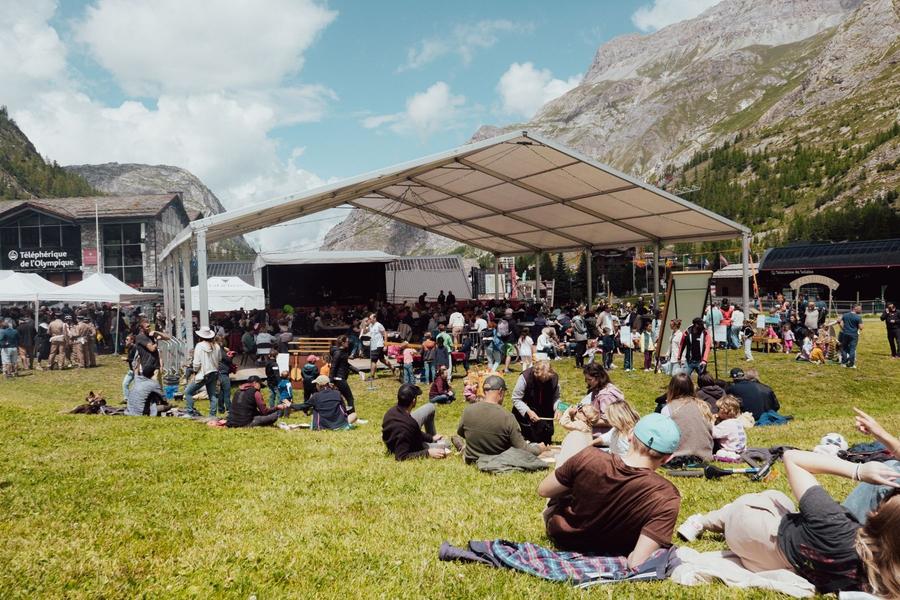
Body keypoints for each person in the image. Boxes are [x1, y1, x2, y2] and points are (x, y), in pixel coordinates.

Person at [677, 448, 900, 596]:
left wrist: (858, 470)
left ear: (876, 516)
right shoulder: (887, 583)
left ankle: (707, 520)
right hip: (775, 564)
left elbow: (792, 458)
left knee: (776, 497)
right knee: (783, 508)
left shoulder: (836, 525)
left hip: (751, 533)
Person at [538, 413, 682, 568]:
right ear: (668, 458)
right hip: (613, 549)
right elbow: (637, 562)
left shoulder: (590, 457)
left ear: (630, 435)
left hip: (564, 536)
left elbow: (544, 490)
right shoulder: (667, 495)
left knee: (576, 437)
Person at [456, 375, 546, 463]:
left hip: (471, 457)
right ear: (500, 392)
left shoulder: (468, 410)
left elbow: (460, 432)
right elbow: (522, 448)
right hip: (496, 459)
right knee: (532, 445)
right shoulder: (507, 417)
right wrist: (539, 449)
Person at [381, 383, 451, 460]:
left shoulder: (391, 412)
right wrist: (428, 453)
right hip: (406, 445)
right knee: (447, 444)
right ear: (414, 401)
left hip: (403, 433)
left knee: (430, 407)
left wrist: (431, 438)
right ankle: (433, 444)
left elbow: (415, 431)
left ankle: (433, 440)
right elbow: (401, 456)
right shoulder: (406, 428)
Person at [660, 374, 713, 463]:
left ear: (671, 388)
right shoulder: (703, 406)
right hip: (705, 455)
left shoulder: (668, 409)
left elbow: (664, 436)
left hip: (678, 456)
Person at [510, 360, 560, 445]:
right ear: (535, 374)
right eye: (541, 379)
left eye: (547, 379)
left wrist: (559, 408)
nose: (543, 382)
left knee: (545, 443)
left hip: (545, 412)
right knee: (527, 444)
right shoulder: (525, 377)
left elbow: (557, 397)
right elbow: (516, 398)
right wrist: (528, 411)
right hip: (526, 412)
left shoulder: (554, 377)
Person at [184, 326, 221, 417]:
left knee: (188, 392)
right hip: (214, 372)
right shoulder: (216, 346)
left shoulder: (199, 346)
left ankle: (190, 412)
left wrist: (195, 371)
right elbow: (219, 359)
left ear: (200, 336)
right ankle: (212, 415)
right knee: (212, 395)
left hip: (204, 373)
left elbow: (196, 363)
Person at [579, 362, 624, 434]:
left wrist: (586, 421)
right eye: (586, 379)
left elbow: (610, 421)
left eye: (589, 379)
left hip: (606, 438)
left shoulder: (606, 396)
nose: (586, 382)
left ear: (599, 377)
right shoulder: (597, 389)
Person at [557, 404, 604, 468]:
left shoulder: (580, 425)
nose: (577, 410)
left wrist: (568, 412)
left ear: (585, 417)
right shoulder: (587, 426)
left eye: (580, 409)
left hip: (575, 458)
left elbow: (564, 423)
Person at [330, 335, 361, 415]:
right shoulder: (338, 353)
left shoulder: (343, 352)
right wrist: (331, 381)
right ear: (343, 343)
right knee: (350, 398)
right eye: (347, 341)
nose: (348, 342)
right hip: (339, 379)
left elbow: (346, 364)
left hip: (340, 378)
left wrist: (358, 371)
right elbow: (333, 367)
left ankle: (341, 415)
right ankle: (352, 416)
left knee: (339, 399)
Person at [712, 395, 747, 462]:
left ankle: (733, 458)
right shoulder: (738, 422)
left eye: (718, 409)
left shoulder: (726, 424)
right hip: (741, 449)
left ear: (723, 411)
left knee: (719, 453)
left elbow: (714, 434)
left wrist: (712, 422)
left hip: (731, 451)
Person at [364, 313, 395, 379]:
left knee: (373, 360)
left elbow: (385, 334)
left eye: (370, 318)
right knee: (382, 359)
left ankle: (372, 376)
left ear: (374, 318)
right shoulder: (370, 325)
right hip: (374, 345)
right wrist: (365, 325)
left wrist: (385, 345)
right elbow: (365, 332)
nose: (369, 320)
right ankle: (393, 368)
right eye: (369, 318)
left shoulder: (379, 325)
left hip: (378, 345)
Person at [839, 304, 863, 369]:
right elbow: (861, 328)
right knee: (852, 349)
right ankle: (851, 364)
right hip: (854, 335)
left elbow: (839, 322)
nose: (861, 310)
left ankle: (843, 363)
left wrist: (843, 329)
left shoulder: (845, 315)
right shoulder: (858, 317)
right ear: (855, 308)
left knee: (844, 348)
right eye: (859, 309)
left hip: (845, 333)